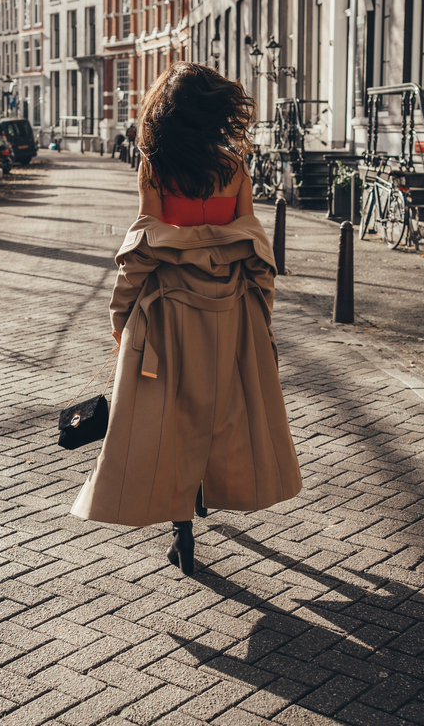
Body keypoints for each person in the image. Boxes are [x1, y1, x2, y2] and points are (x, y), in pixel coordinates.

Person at [71, 62, 302, 575]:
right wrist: (260, 316)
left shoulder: (154, 168)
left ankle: (183, 532)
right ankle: (210, 493)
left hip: (170, 315)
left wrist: (120, 314)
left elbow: (144, 248)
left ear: (167, 114)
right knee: (223, 412)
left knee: (171, 418)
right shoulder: (234, 168)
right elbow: (253, 251)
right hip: (230, 314)